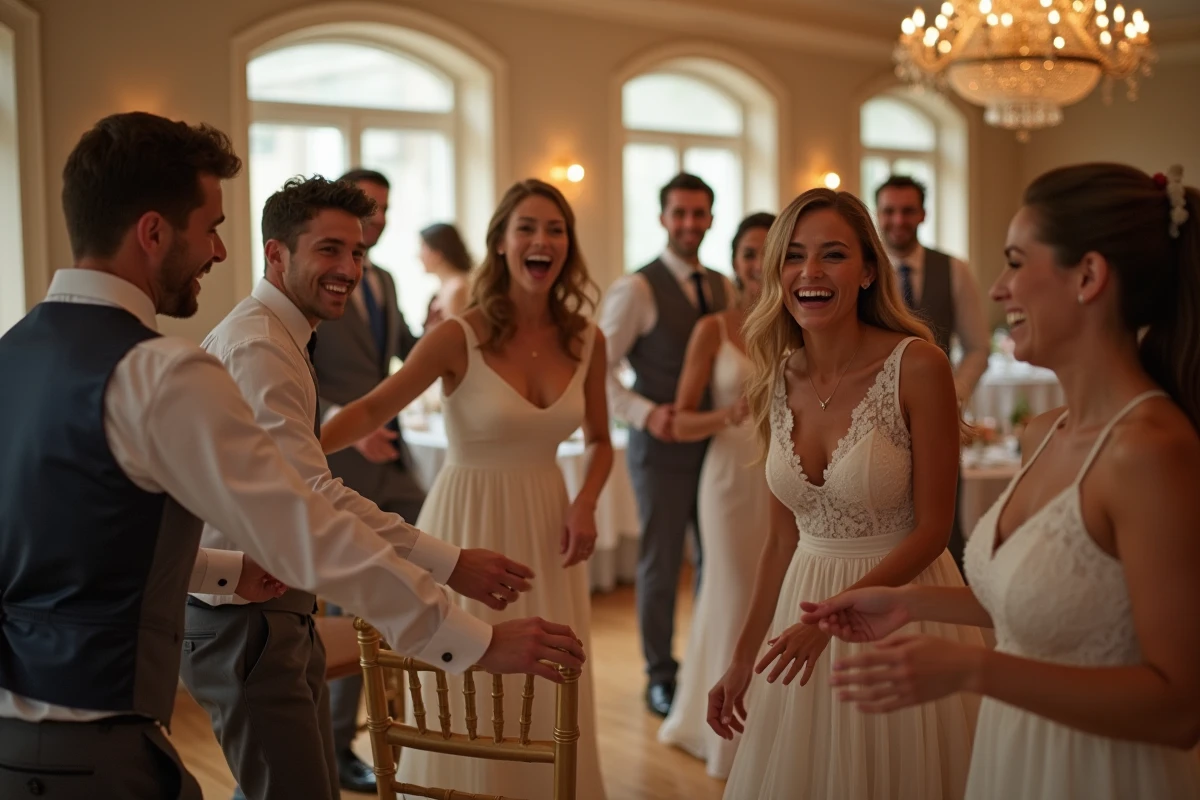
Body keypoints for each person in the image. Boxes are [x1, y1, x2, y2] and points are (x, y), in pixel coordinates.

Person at [0, 112, 584, 800]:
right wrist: (474, 641)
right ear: (153, 233)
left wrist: (222, 571)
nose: (220, 252)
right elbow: (305, 521)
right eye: (211, 228)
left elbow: (87, 538)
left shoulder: (15, 351)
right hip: (94, 740)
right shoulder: (162, 371)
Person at [802, 164, 1200, 800]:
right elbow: (1050, 605)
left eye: (1015, 262)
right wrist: (910, 604)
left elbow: (1179, 709)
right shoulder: (1045, 433)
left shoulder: (1149, 451)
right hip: (1012, 754)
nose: (997, 288)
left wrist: (973, 669)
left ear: (1089, 277)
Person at [182, 176, 540, 800]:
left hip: (270, 603)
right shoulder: (259, 347)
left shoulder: (281, 335)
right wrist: (456, 586)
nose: (349, 268)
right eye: (329, 250)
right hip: (243, 617)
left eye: (357, 252)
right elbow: (314, 498)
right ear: (275, 254)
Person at [321, 178, 611, 799]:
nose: (542, 240)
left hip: (549, 526)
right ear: (501, 242)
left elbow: (602, 441)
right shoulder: (459, 335)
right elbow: (371, 408)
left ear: (568, 245)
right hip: (469, 521)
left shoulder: (588, 338)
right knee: (468, 678)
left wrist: (586, 500)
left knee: (550, 676)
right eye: (526, 228)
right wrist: (289, 452)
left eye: (555, 229)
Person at [708, 187, 983, 799]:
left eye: (832, 254)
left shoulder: (919, 366)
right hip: (803, 607)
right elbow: (779, 542)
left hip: (900, 607)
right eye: (793, 256)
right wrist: (741, 658)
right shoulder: (773, 378)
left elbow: (933, 530)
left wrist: (831, 619)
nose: (810, 271)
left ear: (867, 271)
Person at [310, 167, 431, 792]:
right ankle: (336, 745)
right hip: (339, 462)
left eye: (382, 209)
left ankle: (410, 722)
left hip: (392, 459)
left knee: (416, 573)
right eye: (365, 208)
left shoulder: (382, 280)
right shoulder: (314, 283)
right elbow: (298, 375)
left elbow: (404, 348)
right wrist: (345, 425)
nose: (375, 219)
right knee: (352, 604)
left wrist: (439, 333)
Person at [598, 172, 734, 717]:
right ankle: (660, 674)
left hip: (718, 447)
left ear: (711, 218)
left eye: (699, 214)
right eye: (680, 213)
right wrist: (645, 413)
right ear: (662, 218)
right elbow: (598, 369)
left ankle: (705, 663)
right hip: (659, 451)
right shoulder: (636, 288)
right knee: (661, 561)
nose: (689, 224)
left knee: (717, 557)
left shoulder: (722, 286)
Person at [657, 212, 775, 778]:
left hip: (786, 477)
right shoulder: (713, 329)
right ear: (734, 262)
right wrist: (726, 415)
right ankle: (727, 731)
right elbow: (679, 421)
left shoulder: (802, 323)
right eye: (749, 253)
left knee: (782, 592)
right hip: (728, 477)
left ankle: (778, 721)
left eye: (769, 252)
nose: (757, 264)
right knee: (731, 590)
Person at [875, 175, 990, 572]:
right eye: (889, 211)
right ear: (877, 215)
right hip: (876, 418)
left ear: (923, 214)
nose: (898, 220)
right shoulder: (864, 272)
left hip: (938, 422)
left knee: (943, 523)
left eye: (908, 211)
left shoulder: (954, 269)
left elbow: (977, 347)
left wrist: (951, 396)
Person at [420, 221, 473, 330]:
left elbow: (455, 334)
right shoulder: (447, 287)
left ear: (437, 253)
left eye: (423, 248)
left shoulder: (457, 289)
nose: (419, 256)